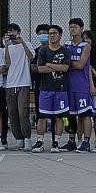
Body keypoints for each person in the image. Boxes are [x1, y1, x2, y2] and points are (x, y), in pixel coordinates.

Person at [32, 25, 71, 153]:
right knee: (42, 117)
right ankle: (39, 142)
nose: (51, 36)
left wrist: (49, 65)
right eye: (50, 33)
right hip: (45, 89)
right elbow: (40, 68)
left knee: (59, 117)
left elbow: (65, 68)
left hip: (60, 89)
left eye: (54, 33)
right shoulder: (43, 50)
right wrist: (57, 66)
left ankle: (56, 143)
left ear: (60, 35)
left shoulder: (65, 51)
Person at [3, 23, 35, 151]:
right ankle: (19, 139)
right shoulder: (7, 47)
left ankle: (27, 139)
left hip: (23, 83)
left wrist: (22, 43)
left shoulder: (27, 44)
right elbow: (7, 63)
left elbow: (31, 57)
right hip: (10, 84)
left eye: (13, 31)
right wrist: (6, 45)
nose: (11, 34)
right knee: (12, 113)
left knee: (23, 113)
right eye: (9, 32)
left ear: (18, 32)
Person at [64, 18, 93, 152]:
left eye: (75, 27)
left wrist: (67, 65)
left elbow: (81, 65)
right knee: (70, 114)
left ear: (81, 29)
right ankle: (71, 141)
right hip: (68, 85)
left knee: (85, 114)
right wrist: (67, 65)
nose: (72, 29)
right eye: (71, 27)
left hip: (81, 85)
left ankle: (86, 142)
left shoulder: (85, 46)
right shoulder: (66, 44)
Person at [31, 24, 50, 125]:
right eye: (40, 34)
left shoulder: (56, 49)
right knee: (39, 106)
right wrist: (46, 68)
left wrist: (42, 68)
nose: (42, 35)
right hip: (39, 83)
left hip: (53, 83)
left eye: (45, 33)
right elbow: (33, 68)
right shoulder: (35, 51)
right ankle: (40, 125)